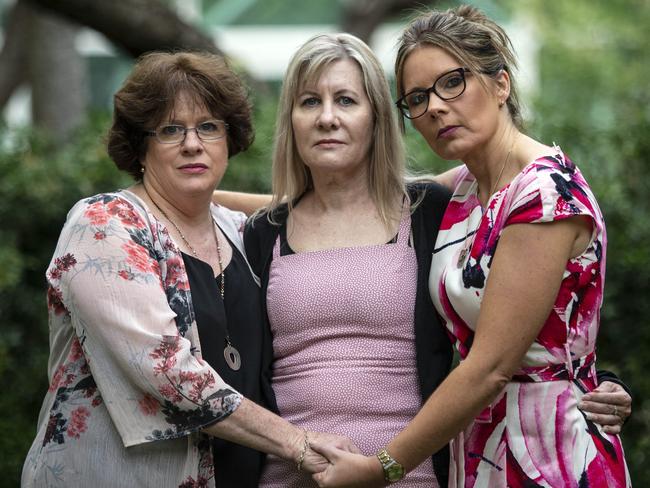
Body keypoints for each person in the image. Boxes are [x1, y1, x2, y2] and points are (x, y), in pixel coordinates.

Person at [219, 33, 631, 487]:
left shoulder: (464, 203)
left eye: (452, 83)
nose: (435, 106)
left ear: (501, 84)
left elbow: (511, 348)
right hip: (470, 455)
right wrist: (190, 196)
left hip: (526, 455)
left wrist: (589, 377)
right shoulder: (466, 194)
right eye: (418, 97)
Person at [21, 51, 355, 488]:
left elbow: (333, 211)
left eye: (209, 127)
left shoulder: (240, 233)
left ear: (229, 139)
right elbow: (165, 372)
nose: (193, 144)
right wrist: (299, 444)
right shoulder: (106, 225)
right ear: (140, 145)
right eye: (171, 129)